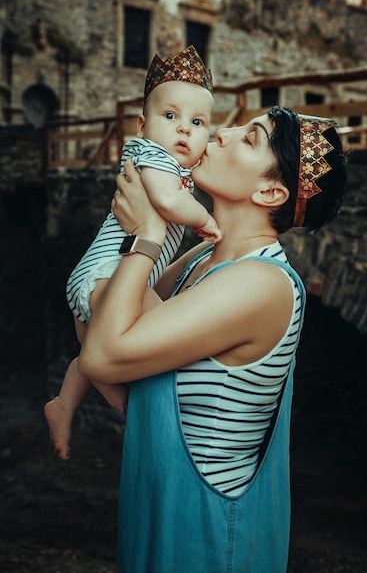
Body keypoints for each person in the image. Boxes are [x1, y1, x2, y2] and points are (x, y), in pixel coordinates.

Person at [78, 103, 347, 572]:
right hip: (155, 515)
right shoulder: (204, 256)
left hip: (206, 540)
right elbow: (102, 319)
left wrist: (147, 235)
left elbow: (102, 356)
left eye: (250, 138)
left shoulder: (262, 283)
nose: (222, 133)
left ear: (269, 191)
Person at [44, 46, 221, 460]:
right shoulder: (152, 158)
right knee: (160, 321)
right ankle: (127, 400)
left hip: (107, 277)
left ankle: (63, 405)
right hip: (107, 274)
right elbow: (167, 200)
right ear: (142, 125)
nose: (183, 130)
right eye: (170, 116)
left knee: (93, 359)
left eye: (197, 123)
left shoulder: (175, 168)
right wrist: (207, 222)